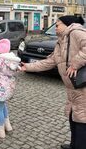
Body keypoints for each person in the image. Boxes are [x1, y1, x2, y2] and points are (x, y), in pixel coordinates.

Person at [21, 16, 86, 149]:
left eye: (57, 25)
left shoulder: (76, 32)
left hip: (82, 85)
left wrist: (75, 64)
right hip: (72, 86)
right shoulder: (60, 42)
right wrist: (27, 67)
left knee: (81, 118)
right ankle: (74, 144)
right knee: (73, 115)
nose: (55, 28)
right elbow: (49, 62)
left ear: (66, 25)